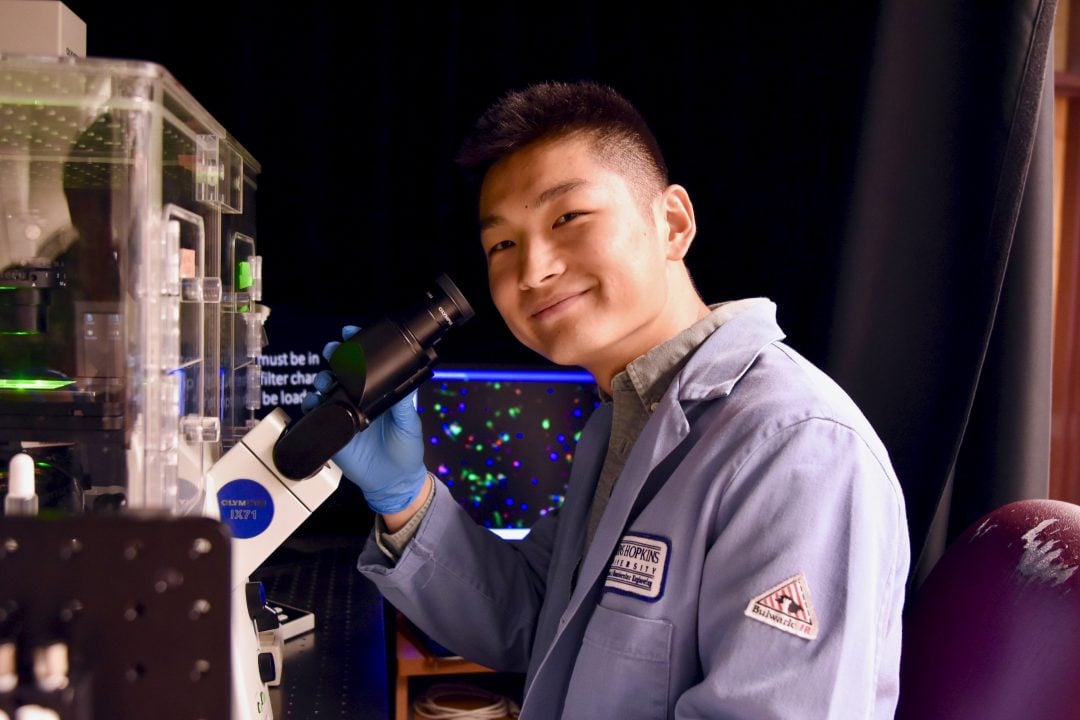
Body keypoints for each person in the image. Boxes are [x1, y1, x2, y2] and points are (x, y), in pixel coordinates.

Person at [305, 80, 910, 719]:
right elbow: (530, 618)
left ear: (672, 223)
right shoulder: (625, 421)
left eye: (568, 217)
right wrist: (407, 501)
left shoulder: (794, 446)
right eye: (501, 245)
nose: (532, 269)